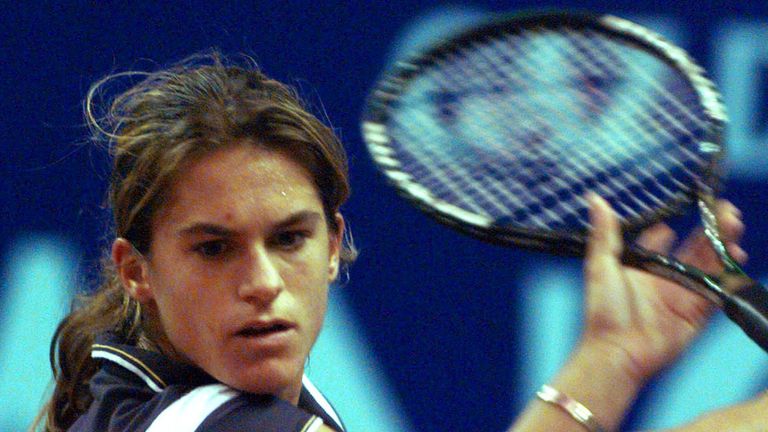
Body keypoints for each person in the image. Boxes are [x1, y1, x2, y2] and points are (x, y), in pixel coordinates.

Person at [32, 52, 762, 432]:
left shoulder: (148, 384)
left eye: (289, 237)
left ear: (333, 243)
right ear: (137, 271)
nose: (261, 280)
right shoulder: (193, 422)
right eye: (213, 248)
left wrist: (611, 358)